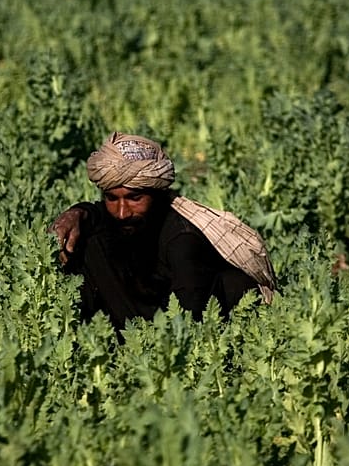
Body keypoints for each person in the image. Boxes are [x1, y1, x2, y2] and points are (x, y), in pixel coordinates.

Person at [49, 131, 277, 330]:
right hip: (138, 320)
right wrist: (79, 212)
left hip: (182, 333)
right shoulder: (119, 221)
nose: (122, 212)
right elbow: (99, 215)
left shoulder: (182, 240)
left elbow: (188, 325)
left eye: (134, 198)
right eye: (111, 198)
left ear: (157, 195)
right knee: (85, 243)